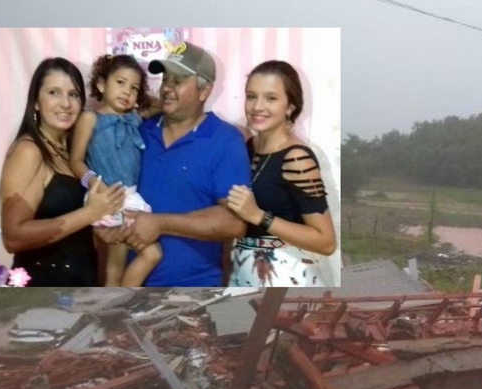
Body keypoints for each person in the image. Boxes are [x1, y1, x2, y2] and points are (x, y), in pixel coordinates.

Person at [101, 41, 250, 286]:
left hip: (192, 293)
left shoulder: (225, 141)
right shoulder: (138, 129)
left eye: (178, 81)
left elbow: (234, 221)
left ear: (204, 91)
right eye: (166, 79)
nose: (167, 88)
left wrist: (159, 224)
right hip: (126, 293)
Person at [0, 57, 125, 287]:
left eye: (74, 94)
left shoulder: (74, 154)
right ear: (36, 102)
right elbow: (12, 237)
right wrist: (89, 213)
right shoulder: (29, 151)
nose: (65, 103)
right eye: (54, 93)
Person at [227, 60, 336, 287]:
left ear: (290, 107)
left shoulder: (297, 159)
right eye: (251, 96)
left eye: (271, 98)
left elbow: (326, 242)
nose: (258, 106)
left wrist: (259, 216)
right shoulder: (247, 147)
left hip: (287, 279)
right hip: (244, 273)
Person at [70, 54, 161, 287]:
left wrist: (140, 98)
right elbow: (76, 160)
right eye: (120, 83)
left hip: (130, 197)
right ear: (101, 84)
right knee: (121, 261)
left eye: (134, 88)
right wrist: (94, 185)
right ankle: (119, 305)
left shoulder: (135, 117)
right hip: (106, 196)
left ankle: (118, 304)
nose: (126, 91)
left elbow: (162, 104)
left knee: (126, 259)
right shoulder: (91, 118)